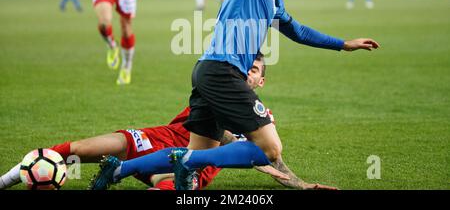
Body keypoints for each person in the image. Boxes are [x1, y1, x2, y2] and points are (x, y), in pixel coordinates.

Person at [90, 0, 378, 191]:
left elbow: (300, 32)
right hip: (223, 73)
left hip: (209, 72)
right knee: (269, 148)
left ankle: (119, 169)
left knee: (197, 152)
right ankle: (186, 162)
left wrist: (343, 44)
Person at [0, 56, 306, 190]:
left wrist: (300, 184)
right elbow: (241, 145)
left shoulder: (262, 118)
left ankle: (122, 173)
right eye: (245, 67)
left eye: (254, 70)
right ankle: (8, 178)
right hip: (160, 138)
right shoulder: (217, 87)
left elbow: (269, 158)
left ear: (261, 80)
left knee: (172, 186)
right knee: (81, 149)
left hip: (192, 165)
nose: (248, 73)